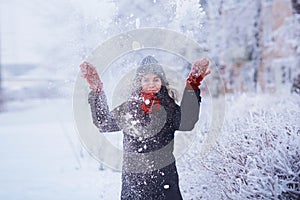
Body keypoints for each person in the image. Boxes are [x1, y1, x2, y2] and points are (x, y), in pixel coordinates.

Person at [80, 55, 211, 200]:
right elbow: (103, 122)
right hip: (135, 183)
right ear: (139, 82)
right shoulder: (129, 109)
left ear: (162, 82)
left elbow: (187, 122)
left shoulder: (169, 107)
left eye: (156, 79)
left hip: (165, 180)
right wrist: (97, 91)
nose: (151, 83)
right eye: (146, 79)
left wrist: (193, 84)